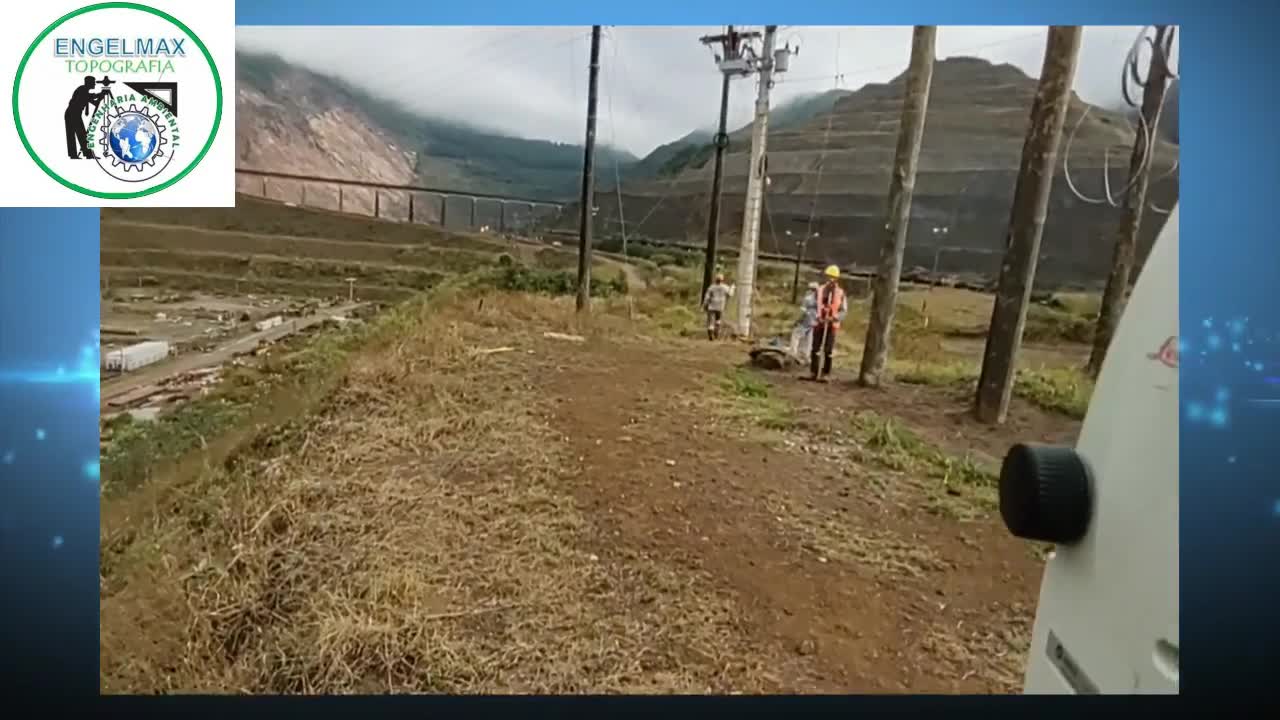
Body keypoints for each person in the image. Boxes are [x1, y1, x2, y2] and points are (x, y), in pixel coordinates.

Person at [809, 265, 847, 382]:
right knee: (815, 348)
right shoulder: (819, 291)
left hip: (832, 325)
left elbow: (843, 311)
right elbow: (812, 306)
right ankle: (814, 372)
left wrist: (834, 318)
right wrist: (817, 316)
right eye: (829, 277)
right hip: (819, 323)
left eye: (833, 277)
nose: (830, 279)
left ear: (837, 279)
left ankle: (826, 373)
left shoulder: (840, 293)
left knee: (828, 350)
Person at [65, 76, 109, 160]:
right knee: (79, 134)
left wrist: (100, 96)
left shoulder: (84, 90)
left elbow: (94, 102)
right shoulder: (82, 90)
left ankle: (82, 154)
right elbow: (89, 97)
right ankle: (81, 154)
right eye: (93, 82)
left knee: (80, 134)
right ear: (89, 83)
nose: (95, 84)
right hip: (72, 114)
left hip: (74, 114)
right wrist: (100, 94)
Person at [789, 281, 819, 359]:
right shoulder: (818, 300)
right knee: (808, 339)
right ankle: (805, 355)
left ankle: (793, 354)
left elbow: (802, 312)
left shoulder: (807, 298)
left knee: (796, 335)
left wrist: (797, 321)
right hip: (814, 321)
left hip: (805, 321)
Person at [702, 273, 732, 341]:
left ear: (716, 280)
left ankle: (710, 330)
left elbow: (707, 297)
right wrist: (732, 288)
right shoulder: (725, 287)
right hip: (720, 306)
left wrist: (704, 305)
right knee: (718, 320)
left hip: (712, 306)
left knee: (710, 321)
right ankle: (716, 332)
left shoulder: (711, 287)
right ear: (722, 280)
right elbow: (730, 294)